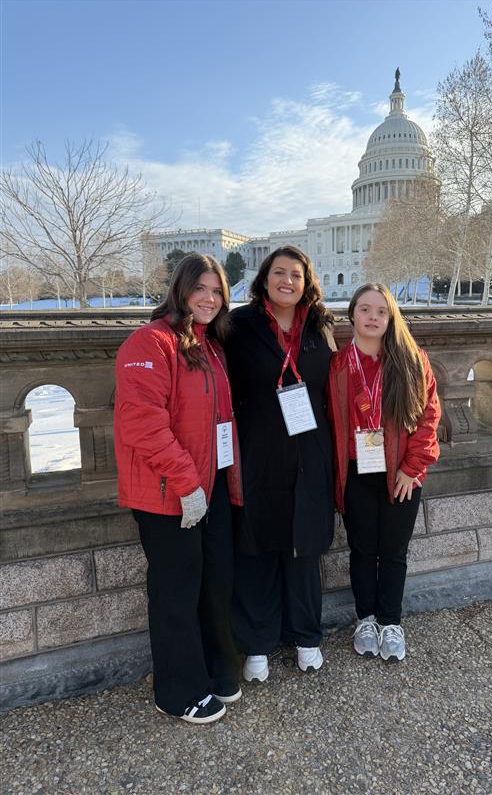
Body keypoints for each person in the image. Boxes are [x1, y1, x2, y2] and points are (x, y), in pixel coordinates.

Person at [113, 253, 242, 725]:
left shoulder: (208, 346)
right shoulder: (150, 341)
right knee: (175, 591)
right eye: (200, 289)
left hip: (207, 490)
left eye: (217, 290)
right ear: (180, 290)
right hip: (167, 494)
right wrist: (187, 484)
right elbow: (142, 424)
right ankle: (177, 691)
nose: (209, 298)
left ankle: (210, 672)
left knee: (211, 584)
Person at [225, 245, 335, 682]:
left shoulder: (320, 325)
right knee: (257, 547)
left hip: (310, 450)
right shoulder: (239, 325)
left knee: (304, 548)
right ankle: (257, 644)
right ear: (263, 277)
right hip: (258, 450)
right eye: (278, 272)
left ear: (307, 281)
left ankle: (306, 635)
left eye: (296, 274)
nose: (287, 280)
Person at [328, 283, 440, 661]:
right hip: (358, 470)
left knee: (393, 551)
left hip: (400, 474)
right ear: (352, 316)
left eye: (380, 311)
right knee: (362, 550)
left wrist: (412, 468)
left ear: (391, 317)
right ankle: (367, 618)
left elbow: (429, 416)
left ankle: (391, 621)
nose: (372, 317)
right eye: (364, 309)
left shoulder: (411, 360)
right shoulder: (339, 364)